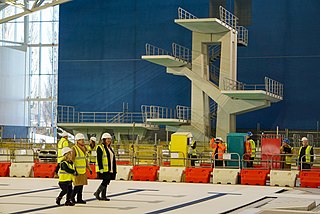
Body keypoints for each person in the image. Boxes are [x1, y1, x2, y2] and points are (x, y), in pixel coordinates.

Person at [93, 132, 117, 201]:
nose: (109, 140)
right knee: (105, 181)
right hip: (104, 168)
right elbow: (99, 158)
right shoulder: (100, 147)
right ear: (103, 140)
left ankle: (103, 195)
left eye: (109, 139)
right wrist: (100, 168)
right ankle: (97, 193)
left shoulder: (110, 148)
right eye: (107, 139)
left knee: (106, 181)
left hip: (110, 168)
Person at [71, 133, 92, 204]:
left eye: (83, 140)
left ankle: (79, 198)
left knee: (81, 185)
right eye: (80, 140)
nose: (82, 141)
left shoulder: (85, 148)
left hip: (83, 170)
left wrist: (89, 168)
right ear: (77, 141)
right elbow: (72, 160)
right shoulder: (74, 148)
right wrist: (74, 170)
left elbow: (85, 159)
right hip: (77, 170)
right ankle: (72, 197)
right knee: (77, 186)